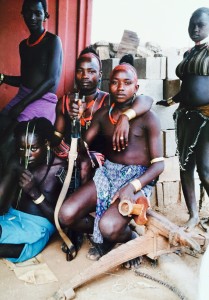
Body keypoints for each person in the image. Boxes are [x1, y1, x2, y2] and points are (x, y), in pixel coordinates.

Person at [58, 62, 164, 267]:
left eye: (127, 83)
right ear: (108, 85)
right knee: (66, 215)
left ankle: (129, 239)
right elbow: (82, 148)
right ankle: (108, 235)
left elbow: (159, 166)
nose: (120, 88)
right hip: (107, 175)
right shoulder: (102, 115)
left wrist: (132, 187)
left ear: (136, 88)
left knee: (109, 226)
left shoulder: (148, 118)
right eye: (115, 83)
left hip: (136, 179)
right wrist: (76, 121)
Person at [53, 47, 154, 183]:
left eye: (91, 71)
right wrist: (71, 121)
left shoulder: (110, 100)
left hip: (103, 163)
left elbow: (146, 100)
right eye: (80, 71)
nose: (85, 76)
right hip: (73, 155)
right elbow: (55, 140)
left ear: (100, 75)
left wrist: (125, 116)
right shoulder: (65, 102)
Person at [156, 7, 209, 231]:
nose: (195, 29)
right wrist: (171, 101)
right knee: (185, 166)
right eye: (192, 25)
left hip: (206, 116)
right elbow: (188, 86)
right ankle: (193, 216)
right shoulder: (189, 53)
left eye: (201, 25)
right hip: (185, 115)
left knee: (205, 168)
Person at [0, 0, 63, 177]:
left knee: (8, 141)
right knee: (2, 123)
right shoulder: (23, 45)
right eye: (28, 12)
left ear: (45, 15)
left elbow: (51, 80)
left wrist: (21, 106)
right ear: (22, 14)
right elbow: (26, 80)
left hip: (43, 98)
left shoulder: (53, 41)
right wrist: (4, 78)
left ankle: (11, 185)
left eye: (37, 12)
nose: (32, 17)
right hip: (25, 95)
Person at [0, 118, 66, 263]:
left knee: (22, 247)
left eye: (33, 148)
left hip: (38, 226)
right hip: (11, 218)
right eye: (22, 148)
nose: (26, 154)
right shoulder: (17, 161)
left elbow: (62, 220)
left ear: (46, 144)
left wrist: (34, 192)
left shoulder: (60, 169)